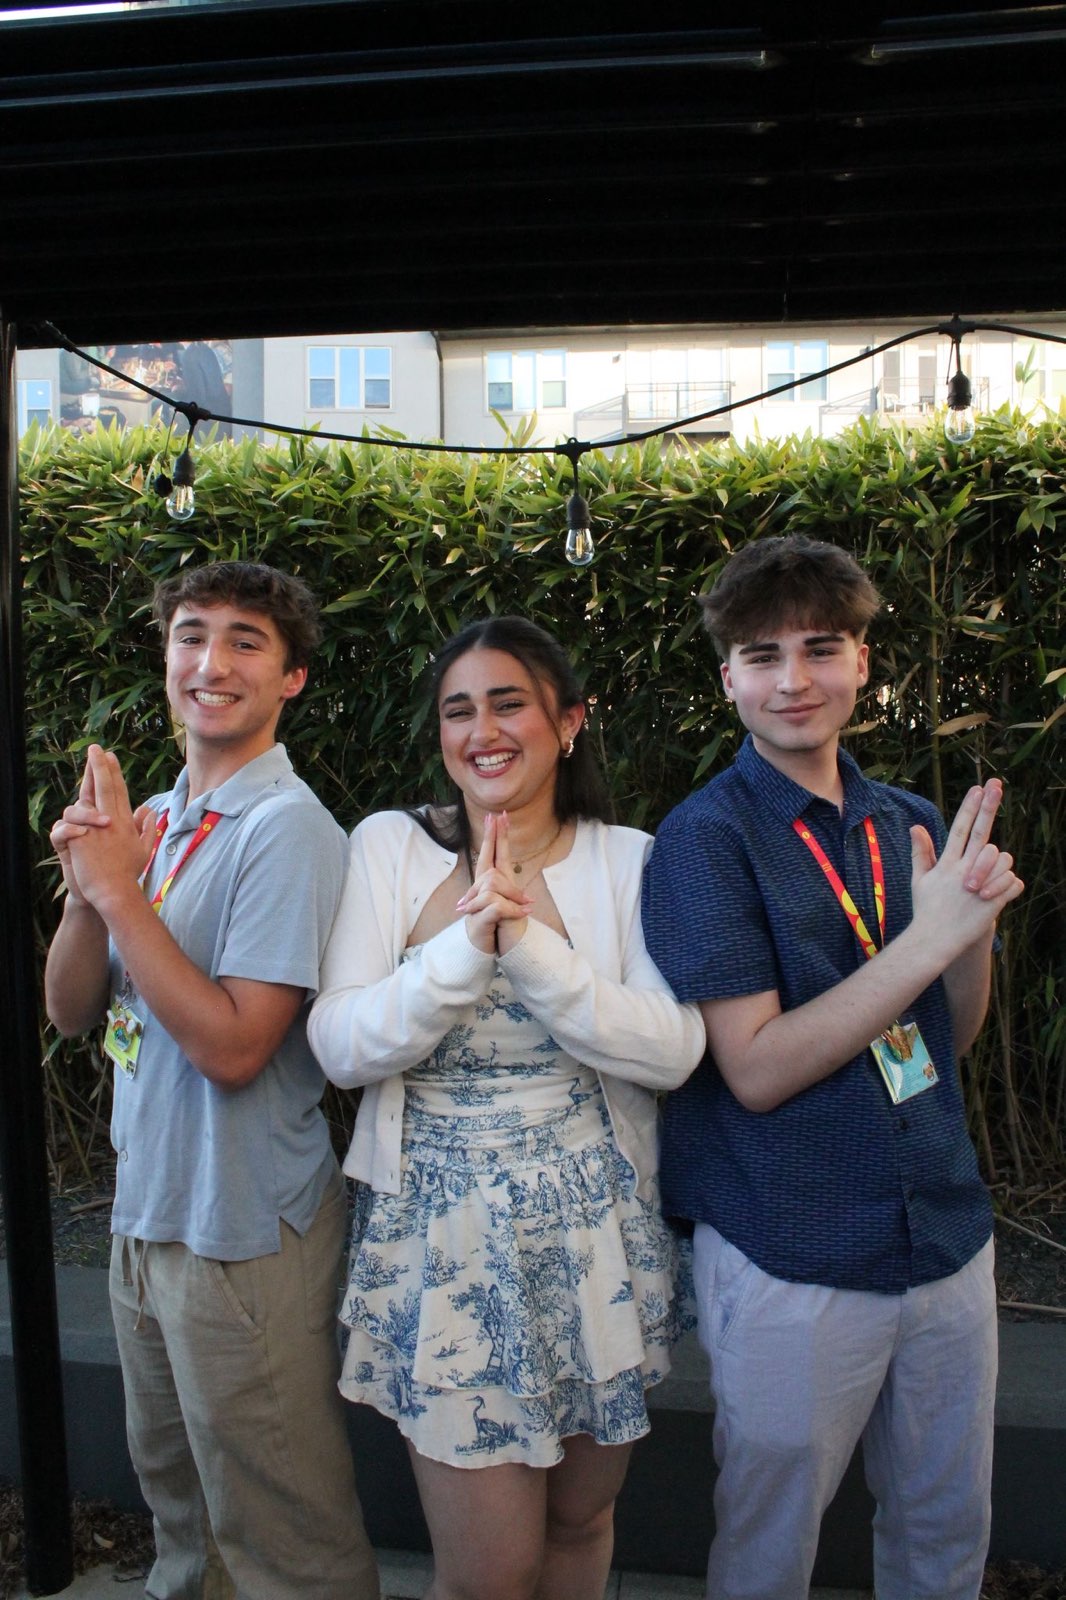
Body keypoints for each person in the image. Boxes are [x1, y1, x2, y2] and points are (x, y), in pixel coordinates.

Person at [641, 533, 1025, 1600]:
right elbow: (754, 1068)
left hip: (944, 1233)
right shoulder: (703, 840)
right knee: (770, 1547)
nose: (794, 680)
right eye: (763, 657)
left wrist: (970, 930)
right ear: (728, 679)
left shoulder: (908, 820)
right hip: (790, 1244)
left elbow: (952, 1038)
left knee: (945, 1529)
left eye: (821, 648)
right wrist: (923, 937)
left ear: (863, 662)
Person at [308, 615, 706, 1600]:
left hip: (593, 1237)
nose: (481, 728)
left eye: (507, 702)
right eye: (458, 709)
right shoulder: (390, 847)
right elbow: (343, 1046)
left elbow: (672, 1049)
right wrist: (468, 944)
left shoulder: (627, 858)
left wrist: (529, 947)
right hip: (444, 1245)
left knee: (581, 1525)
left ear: (568, 722)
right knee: (488, 1575)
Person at [44, 561, 379, 1600]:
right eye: (193, 635)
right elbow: (68, 1009)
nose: (212, 661)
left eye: (246, 641)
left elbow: (237, 1046)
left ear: (291, 681)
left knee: (282, 1526)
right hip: (149, 1214)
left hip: (241, 1228)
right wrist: (88, 895)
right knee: (182, 1511)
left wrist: (120, 892)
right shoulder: (156, 814)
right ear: (165, 657)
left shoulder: (290, 831)